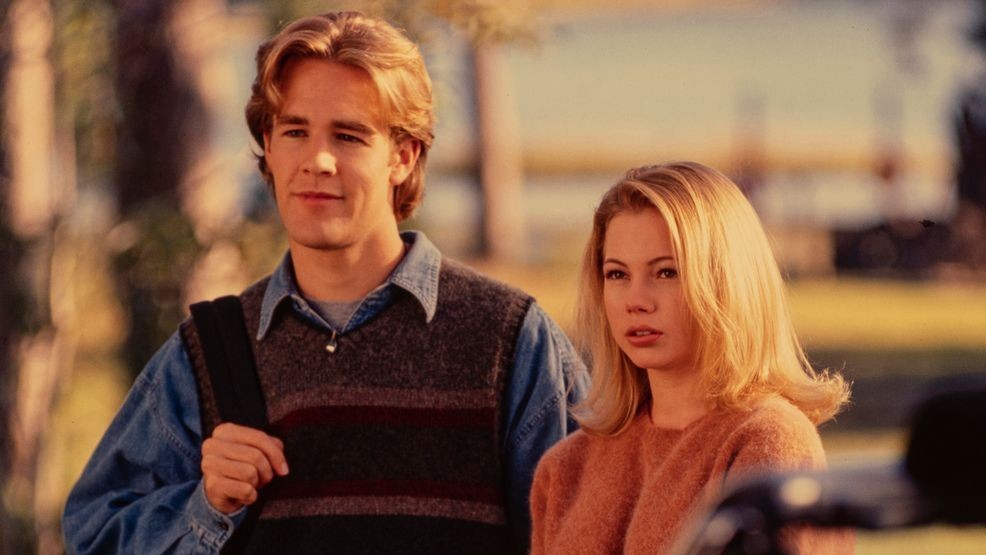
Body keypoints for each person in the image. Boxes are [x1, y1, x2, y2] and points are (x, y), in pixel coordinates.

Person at [63, 11, 587, 554]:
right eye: (295, 131)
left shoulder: (507, 340)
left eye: (348, 136)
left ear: (402, 156)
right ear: (269, 146)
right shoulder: (210, 353)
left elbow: (592, 532)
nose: (317, 160)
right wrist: (208, 507)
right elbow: (94, 536)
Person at [529, 161, 853, 554]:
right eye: (617, 274)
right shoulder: (565, 467)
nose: (636, 300)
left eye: (667, 272)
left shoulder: (769, 441)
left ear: (727, 283)